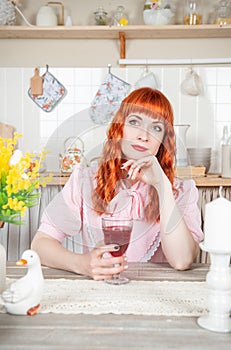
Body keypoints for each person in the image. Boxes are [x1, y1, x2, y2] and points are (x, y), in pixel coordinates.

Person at [31, 87, 204, 280]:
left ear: (164, 141)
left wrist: (162, 186)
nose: (143, 135)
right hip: (100, 293)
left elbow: (182, 261)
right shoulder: (85, 180)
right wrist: (82, 264)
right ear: (119, 128)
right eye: (134, 122)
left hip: (159, 296)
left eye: (156, 127)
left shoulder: (182, 191)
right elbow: (41, 244)